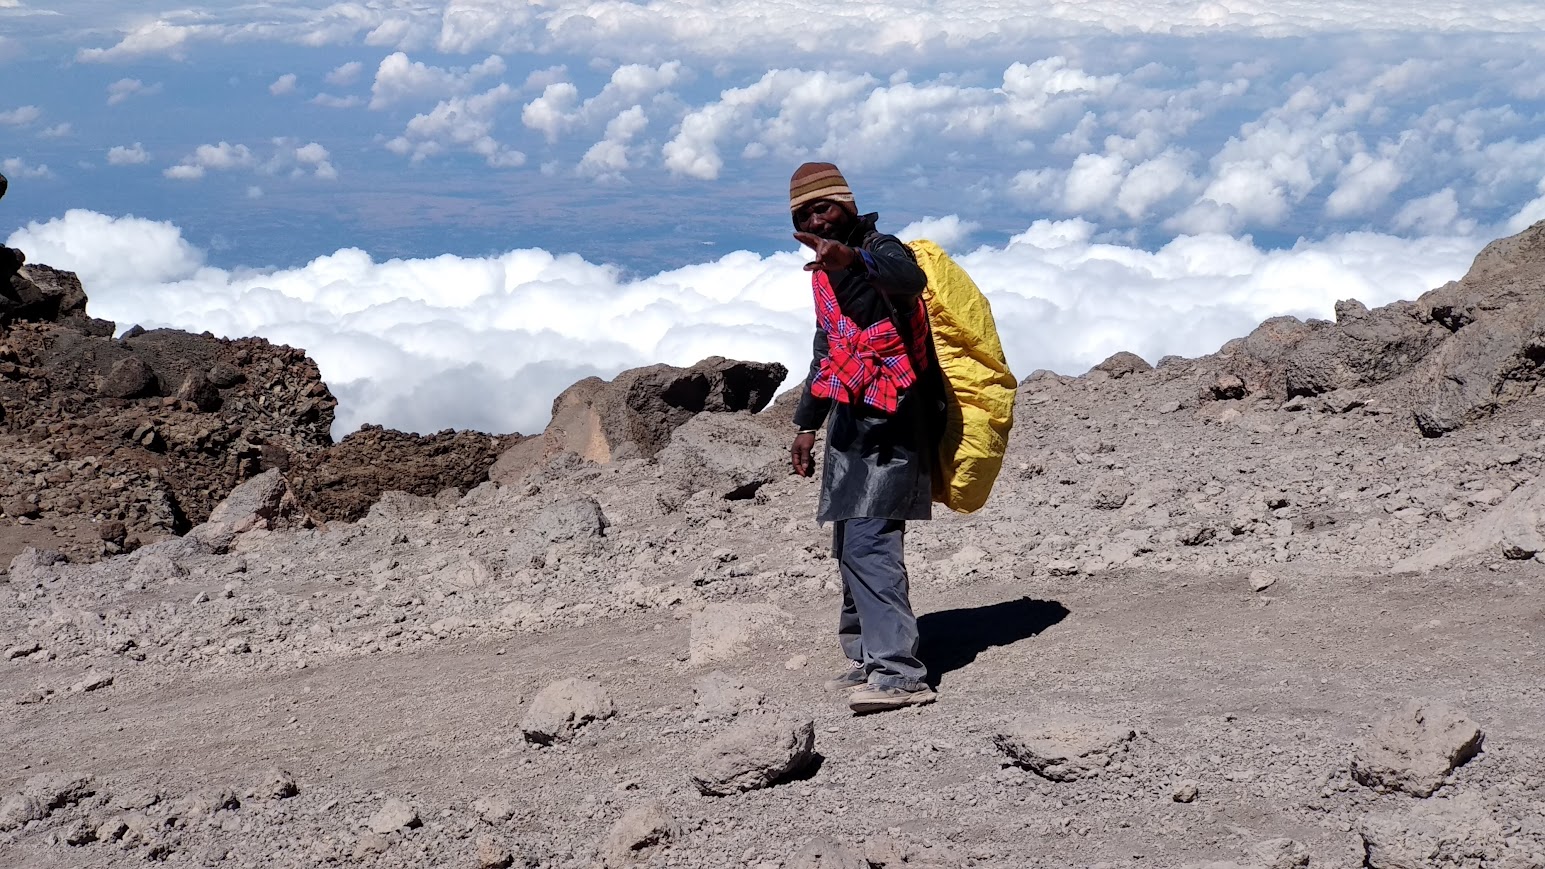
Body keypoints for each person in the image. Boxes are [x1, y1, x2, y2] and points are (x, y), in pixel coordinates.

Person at [787, 161, 940, 714]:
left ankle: (901, 672)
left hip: (893, 423)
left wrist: (855, 258)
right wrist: (807, 425)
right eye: (803, 215)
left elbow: (910, 281)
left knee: (873, 542)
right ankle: (867, 657)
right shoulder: (825, 275)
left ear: (847, 204)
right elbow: (827, 350)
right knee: (848, 543)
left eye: (822, 207)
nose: (816, 221)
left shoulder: (881, 247)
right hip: (851, 424)